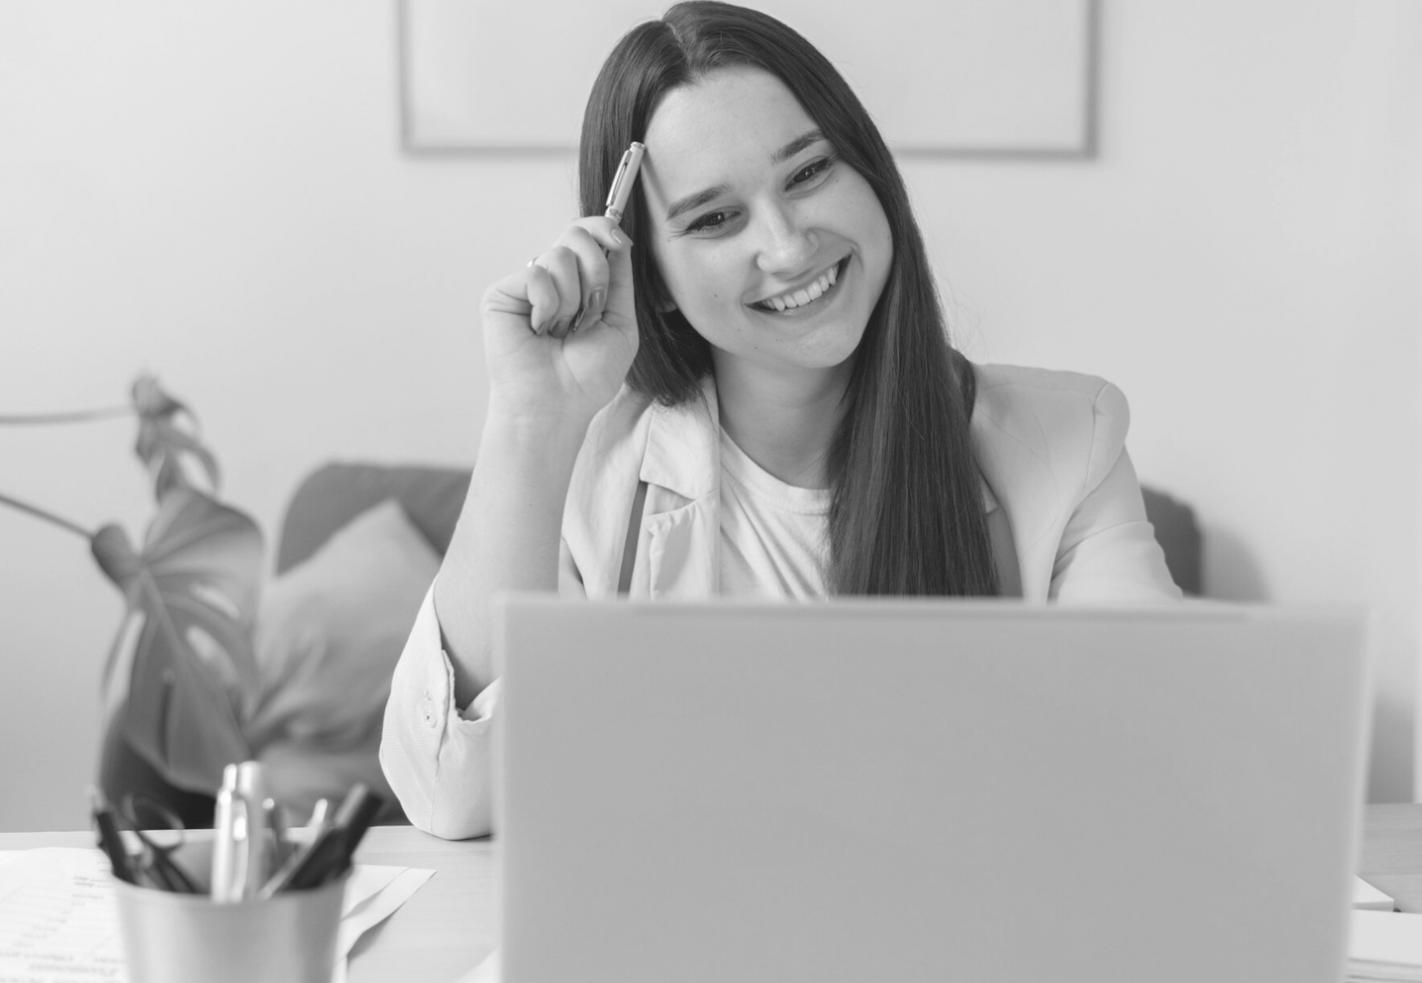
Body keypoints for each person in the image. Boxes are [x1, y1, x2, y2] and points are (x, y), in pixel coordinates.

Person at [379, 0, 1180, 840]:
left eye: (808, 173)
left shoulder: (1070, 443)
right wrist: (528, 423)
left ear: (871, 172)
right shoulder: (583, 470)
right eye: (714, 219)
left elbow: (1163, 759)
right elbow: (451, 798)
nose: (790, 247)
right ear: (652, 280)